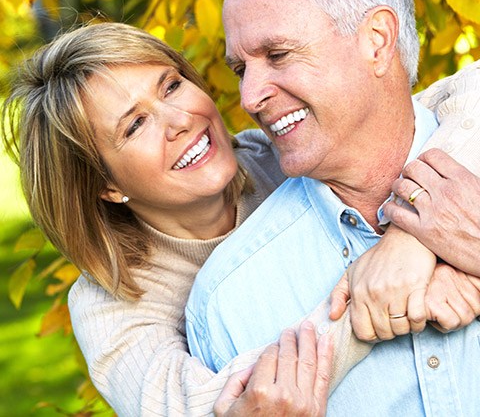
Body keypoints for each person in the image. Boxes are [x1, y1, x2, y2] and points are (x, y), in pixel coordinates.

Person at [185, 0, 480, 415]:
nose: (249, 97)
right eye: (241, 69)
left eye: (277, 54)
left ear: (377, 41)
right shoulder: (227, 301)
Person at [1, 21, 364, 417]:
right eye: (135, 125)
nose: (181, 120)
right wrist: (374, 295)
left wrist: (410, 240)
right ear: (105, 185)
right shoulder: (111, 304)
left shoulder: (280, 156)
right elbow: (227, 406)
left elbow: (435, 104)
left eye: (171, 86)